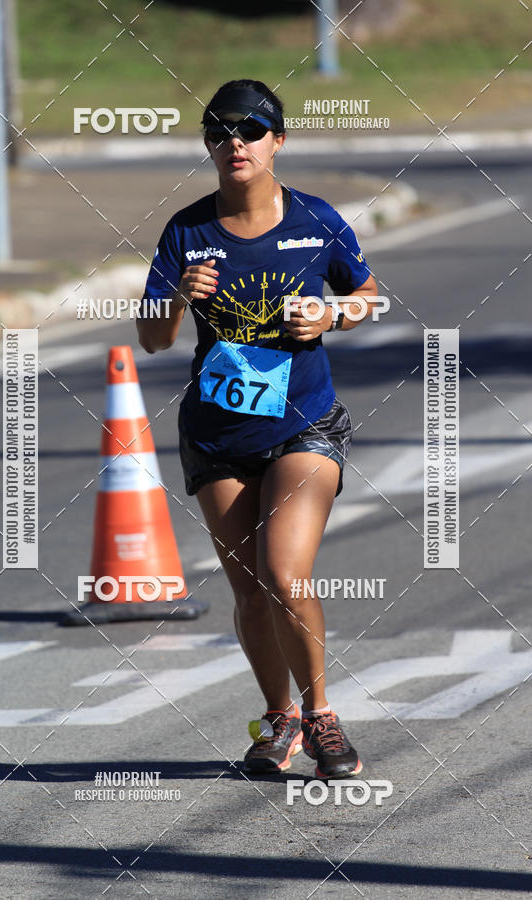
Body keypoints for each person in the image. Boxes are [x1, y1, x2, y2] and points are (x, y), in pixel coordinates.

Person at [137, 79, 378, 778]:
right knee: (248, 589)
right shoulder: (186, 231)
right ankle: (280, 718)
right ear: (208, 145)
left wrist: (332, 315)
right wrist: (176, 298)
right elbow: (151, 338)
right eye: (219, 131)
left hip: (305, 423)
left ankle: (321, 713)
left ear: (278, 141)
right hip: (217, 434)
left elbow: (367, 294)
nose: (234, 143)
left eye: (249, 130)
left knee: (282, 571)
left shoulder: (316, 219)